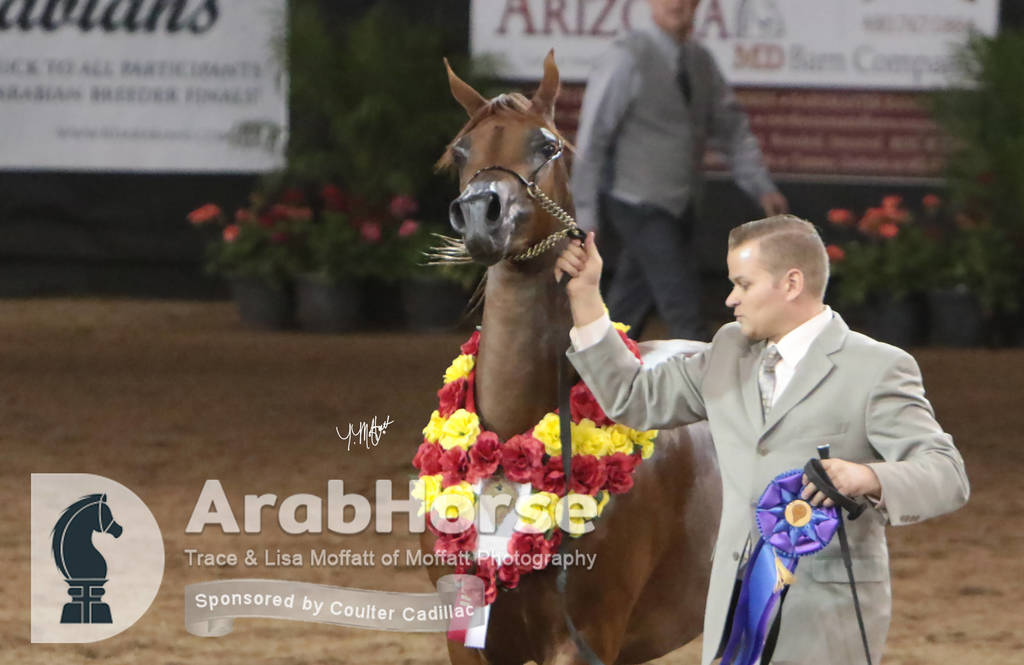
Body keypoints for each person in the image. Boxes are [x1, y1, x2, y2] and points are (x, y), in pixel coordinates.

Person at [554, 215, 969, 665]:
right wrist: (585, 294)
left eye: (743, 284)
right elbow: (633, 398)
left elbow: (946, 473)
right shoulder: (728, 350)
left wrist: (867, 475)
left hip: (826, 620)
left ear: (791, 283)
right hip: (734, 620)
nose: (730, 298)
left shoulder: (879, 367)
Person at [571, 0, 788, 341]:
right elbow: (592, 135)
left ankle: (588, 383)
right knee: (684, 307)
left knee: (629, 303)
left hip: (682, 204)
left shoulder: (700, 61)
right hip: (637, 201)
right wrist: (583, 211)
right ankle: (708, 390)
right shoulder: (626, 56)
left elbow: (731, 129)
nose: (677, 3)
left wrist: (761, 186)